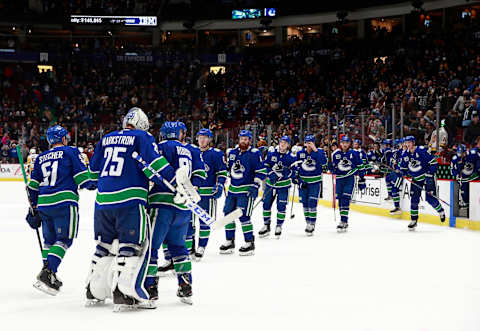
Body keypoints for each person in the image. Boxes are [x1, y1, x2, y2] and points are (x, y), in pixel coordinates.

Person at [85, 108, 179, 311]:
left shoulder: (106, 138)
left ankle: (95, 289)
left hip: (102, 203)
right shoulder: (143, 137)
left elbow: (92, 175)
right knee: (136, 244)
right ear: (142, 124)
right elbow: (156, 165)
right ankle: (126, 292)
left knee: (105, 245)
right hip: (129, 199)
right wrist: (176, 182)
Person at [26, 125, 94, 295]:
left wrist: (33, 209)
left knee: (50, 240)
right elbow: (82, 177)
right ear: (64, 138)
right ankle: (48, 272)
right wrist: (96, 183)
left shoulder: (41, 157)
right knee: (64, 239)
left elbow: (33, 186)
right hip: (64, 202)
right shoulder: (70, 152)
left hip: (44, 204)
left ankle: (50, 273)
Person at [143, 121, 201, 307]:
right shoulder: (188, 150)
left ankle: (150, 289)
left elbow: (151, 171)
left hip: (161, 204)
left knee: (151, 247)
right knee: (178, 247)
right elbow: (197, 176)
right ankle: (186, 286)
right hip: (183, 207)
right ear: (180, 133)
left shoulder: (160, 147)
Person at [220, 130, 266, 256]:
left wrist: (255, 185)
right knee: (228, 215)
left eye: (246, 139)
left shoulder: (254, 153)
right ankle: (230, 240)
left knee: (244, 216)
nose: (243, 141)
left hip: (246, 190)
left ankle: (249, 242)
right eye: (242, 139)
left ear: (250, 141)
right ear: (238, 140)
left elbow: (261, 171)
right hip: (233, 190)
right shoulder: (232, 152)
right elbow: (229, 169)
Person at [399, 135, 446, 230]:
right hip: (416, 179)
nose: (407, 144)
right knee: (414, 199)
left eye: (409, 142)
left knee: (430, 198)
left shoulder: (421, 151)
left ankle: (441, 211)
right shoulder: (405, 154)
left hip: (427, 177)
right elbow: (403, 168)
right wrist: (400, 172)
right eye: (406, 143)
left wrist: (430, 174)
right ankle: (414, 220)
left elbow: (433, 162)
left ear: (413, 142)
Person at [194, 128, 227, 260]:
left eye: (205, 137)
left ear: (210, 139)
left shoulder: (216, 154)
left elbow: (222, 172)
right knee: (189, 223)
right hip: (192, 194)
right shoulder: (192, 152)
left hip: (208, 194)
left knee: (204, 221)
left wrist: (219, 185)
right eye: (200, 137)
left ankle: (201, 246)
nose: (202, 140)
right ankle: (189, 247)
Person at [259, 135, 296, 238]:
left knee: (281, 206)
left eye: (285, 142)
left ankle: (279, 225)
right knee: (266, 204)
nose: (282, 144)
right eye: (281, 142)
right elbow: (265, 165)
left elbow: (294, 172)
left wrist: (287, 174)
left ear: (288, 145)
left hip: (283, 186)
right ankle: (266, 225)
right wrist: (271, 174)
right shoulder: (272, 154)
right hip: (270, 184)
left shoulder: (291, 157)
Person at [294, 134, 327, 236]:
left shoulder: (320, 152)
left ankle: (312, 224)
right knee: (305, 203)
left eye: (311, 142)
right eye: (307, 142)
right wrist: (297, 179)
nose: (309, 144)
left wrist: (315, 150)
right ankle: (308, 222)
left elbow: (324, 162)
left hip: (315, 182)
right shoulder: (300, 153)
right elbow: (297, 167)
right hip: (303, 182)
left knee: (312, 202)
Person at [330, 136, 365, 232]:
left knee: (346, 198)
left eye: (347, 142)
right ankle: (343, 220)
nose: (345, 144)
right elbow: (333, 166)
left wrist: (362, 178)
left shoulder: (354, 153)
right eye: (343, 142)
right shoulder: (335, 154)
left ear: (349, 144)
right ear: (340, 143)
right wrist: (332, 168)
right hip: (339, 179)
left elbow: (360, 165)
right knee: (340, 199)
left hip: (350, 178)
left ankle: (343, 220)